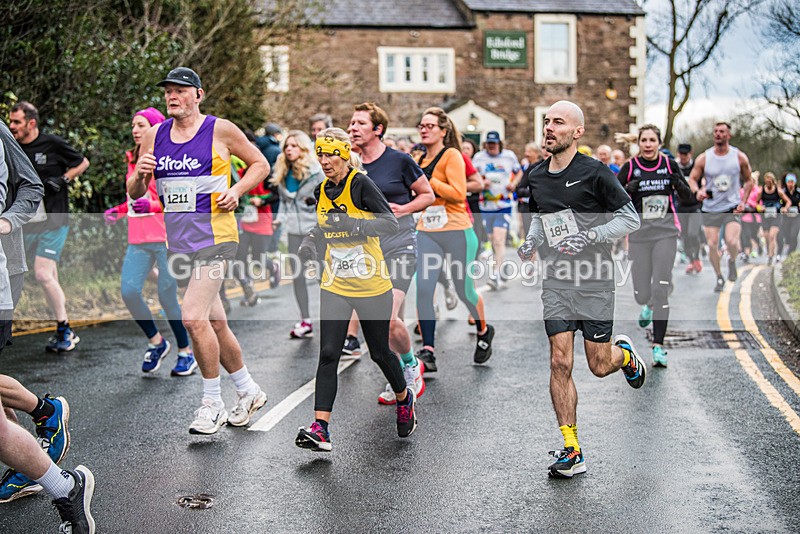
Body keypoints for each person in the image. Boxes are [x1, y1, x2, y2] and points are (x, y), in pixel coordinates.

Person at [129, 67, 269, 434]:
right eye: (168, 92)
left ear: (198, 95)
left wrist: (237, 192)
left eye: (180, 91)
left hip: (217, 238)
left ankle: (211, 403)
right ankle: (248, 389)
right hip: (179, 243)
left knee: (192, 318)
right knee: (216, 323)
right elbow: (134, 193)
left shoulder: (219, 130)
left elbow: (260, 164)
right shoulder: (156, 135)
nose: (172, 96)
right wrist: (141, 176)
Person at [517, 100, 645, 478]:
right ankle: (572, 448)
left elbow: (629, 218)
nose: (549, 128)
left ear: (577, 132)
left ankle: (624, 355)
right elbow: (541, 217)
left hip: (594, 279)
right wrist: (529, 242)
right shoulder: (536, 175)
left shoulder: (596, 173)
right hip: (556, 281)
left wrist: (589, 235)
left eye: (558, 122)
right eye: (546, 121)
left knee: (598, 364)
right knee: (560, 360)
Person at [0, 118, 95, 532]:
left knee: (44, 273)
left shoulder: (10, 135)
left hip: (8, 267)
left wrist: (7, 221)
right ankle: (57, 478)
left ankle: (58, 481)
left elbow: (32, 185)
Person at [294, 127, 415, 451]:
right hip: (335, 283)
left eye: (331, 153)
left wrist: (355, 225)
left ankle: (404, 397)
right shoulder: (322, 189)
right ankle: (321, 428)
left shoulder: (360, 184)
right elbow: (322, 226)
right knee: (329, 353)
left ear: (345, 153)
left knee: (379, 353)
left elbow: (389, 223)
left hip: (370, 283)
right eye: (320, 153)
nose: (325, 160)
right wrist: (309, 242)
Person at [345, 102, 434, 404]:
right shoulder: (350, 166)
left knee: (386, 316)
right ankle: (399, 374)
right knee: (382, 324)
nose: (352, 128)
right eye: (351, 123)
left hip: (399, 245)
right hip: (367, 252)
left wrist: (404, 208)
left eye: (359, 123)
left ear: (378, 129)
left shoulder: (399, 161)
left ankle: (410, 367)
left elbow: (427, 194)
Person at [104, 107, 197, 375]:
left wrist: (154, 206)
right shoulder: (132, 159)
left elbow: (183, 199)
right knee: (129, 291)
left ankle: (185, 352)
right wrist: (120, 211)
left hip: (167, 238)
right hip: (138, 237)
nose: (135, 130)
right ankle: (157, 342)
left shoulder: (169, 158)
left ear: (156, 129)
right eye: (133, 125)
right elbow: (136, 198)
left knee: (167, 295)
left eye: (141, 125)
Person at [414, 107, 494, 372]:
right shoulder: (418, 158)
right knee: (424, 289)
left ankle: (483, 331)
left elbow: (459, 193)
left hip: (457, 230)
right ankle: (428, 350)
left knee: (464, 290)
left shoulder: (452, 156)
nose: (424, 129)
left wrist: (430, 182)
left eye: (430, 125)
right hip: (427, 230)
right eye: (421, 125)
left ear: (443, 130)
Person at [9, 101, 90, 352]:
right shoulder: (11, 148)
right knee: (45, 276)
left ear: (31, 123)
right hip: (26, 223)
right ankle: (62, 327)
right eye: (10, 122)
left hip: (54, 219)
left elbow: (82, 162)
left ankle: (65, 328)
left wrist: (63, 179)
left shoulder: (51, 143)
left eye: (17, 122)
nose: (12, 127)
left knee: (43, 273)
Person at [617, 124, 693, 367]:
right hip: (638, 236)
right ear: (638, 143)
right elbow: (613, 199)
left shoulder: (669, 165)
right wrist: (628, 190)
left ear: (659, 143)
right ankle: (646, 304)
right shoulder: (630, 168)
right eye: (644, 140)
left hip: (665, 234)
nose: (648, 144)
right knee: (641, 293)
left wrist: (678, 183)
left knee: (661, 287)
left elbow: (688, 197)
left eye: (652, 140)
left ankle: (658, 346)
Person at [271, 130, 326, 338]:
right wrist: (280, 219)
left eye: (294, 146)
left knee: (324, 276)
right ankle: (305, 320)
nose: (289, 150)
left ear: (303, 149)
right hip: (294, 232)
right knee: (298, 276)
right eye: (286, 146)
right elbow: (285, 203)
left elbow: (328, 198)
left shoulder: (316, 173)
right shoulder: (283, 174)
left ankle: (335, 318)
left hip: (317, 231)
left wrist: (316, 204)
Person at [689, 122, 754, 292]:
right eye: (716, 131)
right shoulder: (704, 158)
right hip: (710, 207)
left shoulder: (739, 157)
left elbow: (749, 181)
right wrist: (698, 191)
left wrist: (743, 202)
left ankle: (732, 261)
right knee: (712, 244)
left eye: (722, 131)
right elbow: (692, 179)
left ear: (728, 135)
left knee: (732, 241)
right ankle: (719, 277)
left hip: (732, 206)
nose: (718, 134)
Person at [472, 131, 522, 289]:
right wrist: (481, 182)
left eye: (494, 144)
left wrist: (514, 184)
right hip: (486, 205)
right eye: (489, 144)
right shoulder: (479, 158)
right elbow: (471, 176)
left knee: (500, 240)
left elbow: (519, 171)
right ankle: (500, 265)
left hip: (504, 205)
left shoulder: (509, 156)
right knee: (493, 240)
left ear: (500, 143)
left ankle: (496, 274)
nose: (492, 146)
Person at [675, 143, 705, 274]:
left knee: (693, 233)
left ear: (690, 154)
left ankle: (697, 257)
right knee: (685, 236)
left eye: (685, 155)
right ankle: (691, 260)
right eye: (681, 155)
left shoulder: (696, 167)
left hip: (695, 206)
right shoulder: (675, 167)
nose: (683, 157)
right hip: (681, 206)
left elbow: (704, 181)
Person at [758, 172, 791, 265]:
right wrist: (760, 207)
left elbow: (788, 201)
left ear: (773, 181)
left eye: (770, 181)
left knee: (772, 236)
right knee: (766, 236)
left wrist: (785, 208)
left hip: (776, 216)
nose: (768, 183)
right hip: (766, 216)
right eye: (766, 181)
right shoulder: (761, 191)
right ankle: (769, 251)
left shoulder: (778, 191)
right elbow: (756, 203)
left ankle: (770, 256)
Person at [781, 173, 800, 256]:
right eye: (789, 182)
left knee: (794, 234)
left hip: (796, 216)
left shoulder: (798, 192)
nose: (790, 184)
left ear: (795, 182)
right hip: (786, 217)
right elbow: (780, 203)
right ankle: (789, 246)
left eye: (792, 182)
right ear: (786, 183)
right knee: (787, 234)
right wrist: (783, 208)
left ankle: (792, 251)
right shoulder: (783, 192)